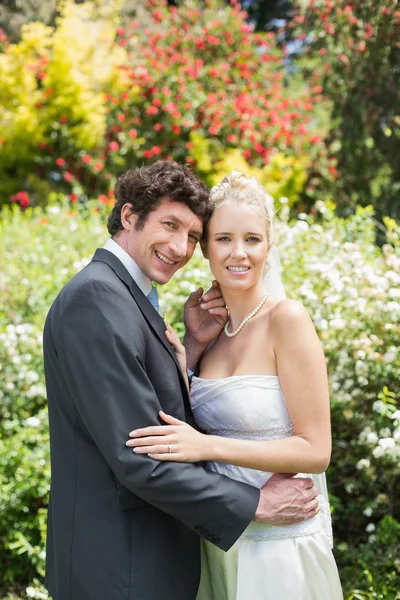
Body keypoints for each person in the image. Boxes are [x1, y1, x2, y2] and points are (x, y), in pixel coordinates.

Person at [43, 161, 320, 600]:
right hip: (121, 566)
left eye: (192, 235)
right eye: (170, 226)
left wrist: (190, 348)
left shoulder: (127, 297)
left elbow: (158, 411)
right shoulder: (98, 298)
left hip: (177, 556)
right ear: (130, 216)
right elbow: (141, 454)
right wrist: (255, 504)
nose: (179, 247)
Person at [126, 171, 343, 600]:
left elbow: (316, 451)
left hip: (279, 544)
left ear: (269, 245)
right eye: (223, 239)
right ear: (205, 247)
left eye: (252, 239)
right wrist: (192, 345)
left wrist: (207, 447)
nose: (238, 253)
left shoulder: (288, 320)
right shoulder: (211, 333)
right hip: (220, 538)